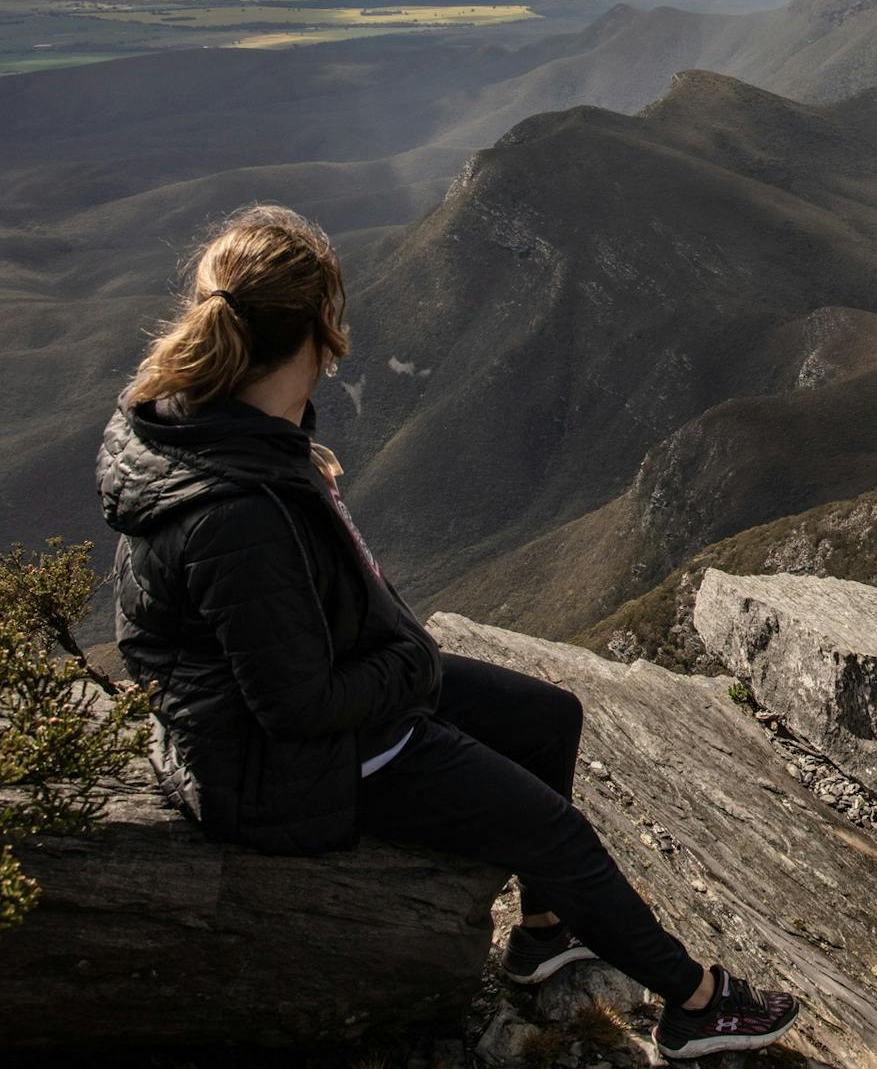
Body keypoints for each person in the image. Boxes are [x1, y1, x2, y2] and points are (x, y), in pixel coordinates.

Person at [97, 204, 799, 1061]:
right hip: (279, 763)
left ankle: (544, 934)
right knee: (554, 832)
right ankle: (696, 1004)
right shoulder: (240, 510)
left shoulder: (206, 423)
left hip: (316, 694)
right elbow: (295, 704)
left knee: (551, 717)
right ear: (324, 328)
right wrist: (411, 669)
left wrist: (397, 660)